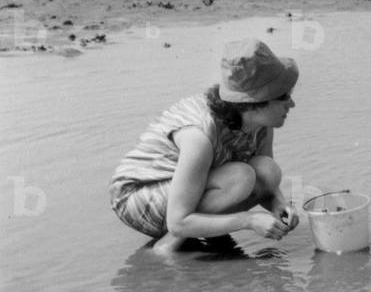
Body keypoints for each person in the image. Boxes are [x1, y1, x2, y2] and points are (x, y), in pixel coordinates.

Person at [109, 39, 299, 253]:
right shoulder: (199, 136)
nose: (291, 104)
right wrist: (249, 220)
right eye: (284, 97)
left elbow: (266, 184)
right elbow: (177, 220)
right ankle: (170, 241)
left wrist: (278, 204)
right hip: (138, 197)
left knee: (267, 171)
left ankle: (206, 228)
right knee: (240, 177)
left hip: (185, 190)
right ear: (255, 104)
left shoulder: (260, 122)